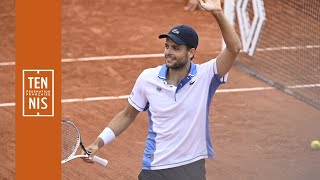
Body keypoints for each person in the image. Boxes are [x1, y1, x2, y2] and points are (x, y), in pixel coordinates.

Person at [82, 0, 241, 179]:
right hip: (156, 167)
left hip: (191, 167)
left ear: (191, 53)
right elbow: (127, 114)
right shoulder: (148, 78)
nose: (168, 52)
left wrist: (218, 13)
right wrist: (97, 143)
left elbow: (234, 48)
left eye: (176, 48)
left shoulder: (206, 75)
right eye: (166, 46)